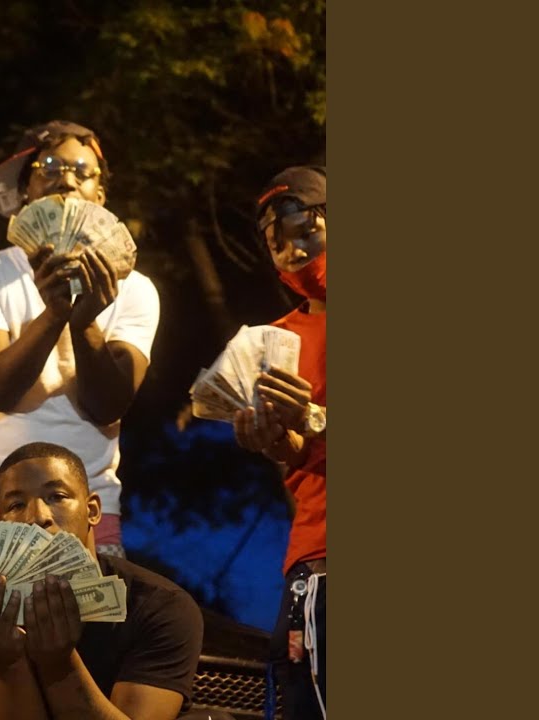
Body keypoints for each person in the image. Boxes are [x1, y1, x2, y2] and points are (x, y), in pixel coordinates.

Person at [0, 121, 160, 558]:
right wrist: (55, 314)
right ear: (25, 191)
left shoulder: (135, 289)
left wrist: (83, 323)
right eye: (49, 167)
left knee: (90, 606)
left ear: (100, 196)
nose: (67, 179)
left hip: (90, 507)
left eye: (83, 172)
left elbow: (108, 405)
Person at [0, 441, 204, 719]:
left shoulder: (159, 607)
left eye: (57, 497)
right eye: (16, 505)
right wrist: (9, 661)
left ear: (93, 510)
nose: (37, 517)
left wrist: (60, 663)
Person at [232, 166, 327, 719]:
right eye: (278, 244)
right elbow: (300, 452)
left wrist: (313, 419)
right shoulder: (278, 341)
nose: (295, 252)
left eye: (306, 231)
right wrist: (274, 440)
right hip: (320, 557)